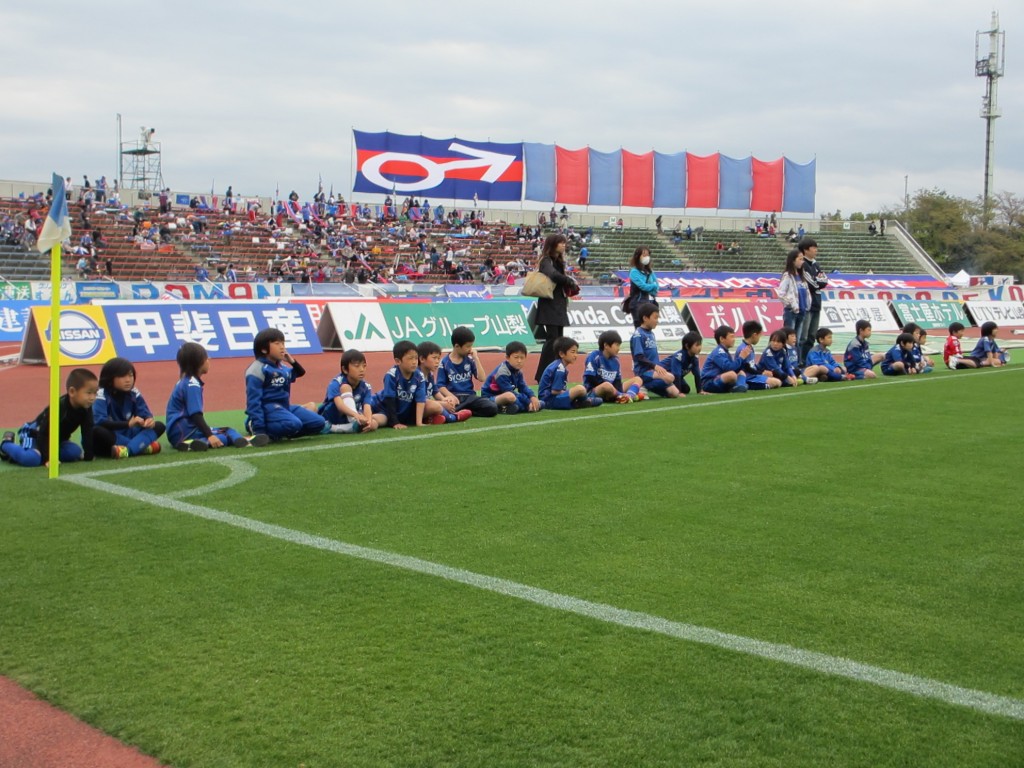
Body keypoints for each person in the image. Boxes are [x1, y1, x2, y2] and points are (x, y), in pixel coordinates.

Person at [166, 342, 265, 451]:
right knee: (227, 432)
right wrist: (210, 435)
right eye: (206, 358)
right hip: (187, 432)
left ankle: (190, 444)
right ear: (198, 362)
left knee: (224, 431)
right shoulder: (192, 384)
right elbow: (195, 415)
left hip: (176, 433)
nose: (209, 360)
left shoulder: (184, 381)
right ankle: (242, 440)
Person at [1, 368, 97, 467]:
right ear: (72, 392)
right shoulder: (59, 407)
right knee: (32, 459)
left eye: (95, 393)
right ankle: (6, 444)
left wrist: (88, 454)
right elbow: (43, 433)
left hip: (55, 440)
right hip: (34, 434)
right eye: (89, 393)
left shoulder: (86, 407)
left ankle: (37, 455)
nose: (93, 398)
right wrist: (48, 458)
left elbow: (87, 431)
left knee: (74, 452)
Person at [245, 328, 325, 440]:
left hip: (284, 407)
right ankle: (253, 425)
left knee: (319, 422)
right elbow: (253, 402)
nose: (282, 347)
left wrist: (292, 361)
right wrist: (259, 431)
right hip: (267, 410)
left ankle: (283, 432)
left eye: (283, 343)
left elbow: (300, 373)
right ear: (263, 349)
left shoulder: (281, 367)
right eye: (277, 343)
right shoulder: (257, 369)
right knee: (294, 424)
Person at [93, 357, 166, 458]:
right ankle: (140, 447)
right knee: (97, 431)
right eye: (122, 376)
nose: (128, 380)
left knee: (159, 425)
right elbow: (100, 422)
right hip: (112, 435)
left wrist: (148, 420)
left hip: (129, 434)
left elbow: (144, 413)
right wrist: (127, 424)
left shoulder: (134, 392)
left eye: (131, 375)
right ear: (110, 378)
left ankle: (127, 450)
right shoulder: (101, 394)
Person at [532, 233, 578, 382]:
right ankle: (542, 374)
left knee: (559, 341)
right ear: (553, 244)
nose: (564, 245)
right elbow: (552, 275)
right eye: (561, 243)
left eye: (564, 243)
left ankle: (555, 372)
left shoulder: (558, 261)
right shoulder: (546, 260)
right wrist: (568, 280)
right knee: (552, 340)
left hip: (558, 304)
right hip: (549, 305)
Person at [318, 349, 387, 434]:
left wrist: (368, 421)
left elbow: (367, 407)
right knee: (346, 388)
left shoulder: (366, 386)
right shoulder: (336, 383)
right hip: (332, 417)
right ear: (345, 369)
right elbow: (340, 406)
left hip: (354, 417)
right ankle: (332, 427)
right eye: (357, 366)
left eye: (364, 366)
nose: (362, 369)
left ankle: (349, 426)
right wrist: (356, 415)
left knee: (376, 422)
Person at [436, 327, 499, 417]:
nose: (470, 349)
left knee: (492, 407)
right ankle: (461, 412)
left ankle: (465, 412)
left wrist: (476, 359)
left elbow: (482, 378)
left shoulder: (470, 360)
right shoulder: (444, 362)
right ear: (457, 346)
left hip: (470, 397)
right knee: (446, 408)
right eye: (468, 346)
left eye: (471, 346)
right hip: (454, 397)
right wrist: (451, 396)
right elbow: (440, 386)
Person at [371, 340, 430, 429]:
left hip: (402, 412)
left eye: (415, 358)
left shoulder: (419, 376)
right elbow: (389, 401)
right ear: (398, 361)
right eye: (410, 358)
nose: (414, 362)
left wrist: (419, 423)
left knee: (435, 407)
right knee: (375, 421)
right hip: (383, 409)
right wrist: (395, 423)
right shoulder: (391, 375)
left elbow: (420, 400)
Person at [630, 303, 680, 398]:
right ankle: (640, 383)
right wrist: (655, 366)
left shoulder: (651, 334)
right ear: (645, 318)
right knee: (670, 377)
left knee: (674, 393)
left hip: (653, 372)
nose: (657, 321)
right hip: (644, 372)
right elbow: (639, 356)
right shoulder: (638, 335)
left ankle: (645, 386)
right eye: (655, 318)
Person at [538, 337, 601, 410]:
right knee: (580, 389)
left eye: (576, 352)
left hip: (551, 399)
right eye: (573, 352)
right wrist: (571, 392)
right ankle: (584, 401)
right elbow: (555, 391)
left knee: (587, 394)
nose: (575, 355)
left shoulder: (559, 365)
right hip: (549, 401)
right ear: (561, 354)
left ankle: (580, 402)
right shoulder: (560, 368)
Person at [581, 331, 644, 403]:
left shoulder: (616, 360)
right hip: (594, 391)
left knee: (638, 379)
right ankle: (624, 396)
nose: (618, 348)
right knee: (606, 385)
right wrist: (612, 389)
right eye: (617, 345)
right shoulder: (594, 356)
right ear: (606, 345)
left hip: (612, 390)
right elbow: (590, 378)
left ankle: (629, 396)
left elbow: (617, 382)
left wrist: (616, 391)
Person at [418, 341, 472, 424]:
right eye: (434, 358)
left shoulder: (429, 374)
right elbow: (420, 400)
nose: (437, 361)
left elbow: (435, 392)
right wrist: (443, 404)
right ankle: (453, 417)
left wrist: (445, 400)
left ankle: (430, 418)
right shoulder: (416, 376)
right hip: (416, 408)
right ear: (422, 359)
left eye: (438, 358)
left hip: (424, 407)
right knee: (435, 406)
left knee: (445, 401)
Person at [483, 341, 542, 414]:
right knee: (510, 396)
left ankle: (504, 408)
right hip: (490, 398)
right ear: (507, 358)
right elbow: (509, 392)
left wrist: (532, 397)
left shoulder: (518, 371)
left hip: (508, 396)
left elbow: (523, 387)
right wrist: (528, 402)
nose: (519, 361)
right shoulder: (502, 372)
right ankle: (526, 407)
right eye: (516, 357)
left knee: (539, 403)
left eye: (522, 358)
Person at [797, 237, 828, 363]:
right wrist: (818, 281)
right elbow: (812, 284)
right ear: (806, 250)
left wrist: (818, 281)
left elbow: (825, 280)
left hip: (816, 303)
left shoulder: (816, 264)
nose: (816, 250)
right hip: (807, 305)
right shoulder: (802, 264)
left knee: (811, 336)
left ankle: (807, 360)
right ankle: (799, 361)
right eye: (813, 248)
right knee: (803, 336)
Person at [699, 325, 749, 394]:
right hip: (709, 383)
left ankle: (740, 386)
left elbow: (734, 369)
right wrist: (741, 358)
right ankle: (738, 386)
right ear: (722, 339)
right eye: (731, 337)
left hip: (719, 380)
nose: (734, 339)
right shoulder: (718, 352)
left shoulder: (725, 351)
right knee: (732, 375)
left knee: (741, 372)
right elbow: (729, 368)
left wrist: (743, 360)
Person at [735, 320, 781, 390]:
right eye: (759, 335)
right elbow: (747, 368)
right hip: (748, 377)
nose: (759, 338)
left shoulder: (749, 346)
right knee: (776, 382)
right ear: (754, 335)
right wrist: (761, 373)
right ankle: (748, 385)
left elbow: (752, 365)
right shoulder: (744, 349)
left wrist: (763, 371)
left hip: (753, 375)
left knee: (777, 381)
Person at [776, 248, 808, 340]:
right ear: (793, 260)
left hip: (802, 311)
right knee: (789, 339)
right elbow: (780, 293)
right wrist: (791, 304)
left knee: (797, 339)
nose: (802, 262)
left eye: (803, 259)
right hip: (791, 312)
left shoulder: (802, 275)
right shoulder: (788, 275)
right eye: (800, 259)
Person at [660, 331, 704, 395]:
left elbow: (697, 374)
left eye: (700, 344)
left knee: (686, 389)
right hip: (661, 376)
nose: (700, 348)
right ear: (687, 346)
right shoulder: (679, 357)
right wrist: (678, 393)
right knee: (672, 390)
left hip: (674, 378)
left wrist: (700, 391)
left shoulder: (694, 358)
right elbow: (676, 375)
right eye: (697, 345)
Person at [624, 246, 658, 328]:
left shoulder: (649, 271)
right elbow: (643, 286)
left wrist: (653, 287)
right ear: (638, 256)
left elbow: (657, 287)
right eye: (644, 255)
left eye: (648, 255)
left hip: (648, 302)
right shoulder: (634, 272)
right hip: (637, 303)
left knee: (648, 326)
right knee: (640, 327)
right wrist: (653, 285)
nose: (647, 257)